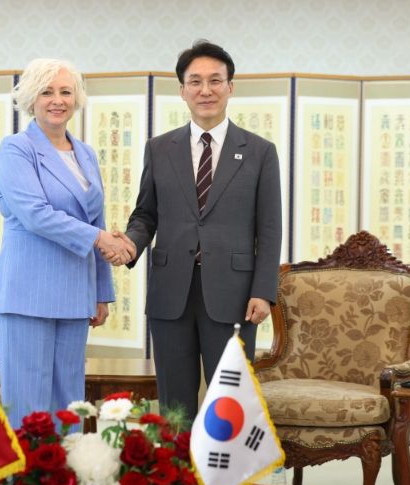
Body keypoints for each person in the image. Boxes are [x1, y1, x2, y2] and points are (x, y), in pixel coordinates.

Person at [110, 40, 282, 420]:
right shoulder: (159, 148)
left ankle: (227, 465)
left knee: (231, 406)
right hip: (171, 294)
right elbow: (146, 215)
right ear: (182, 90)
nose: (206, 90)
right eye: (196, 82)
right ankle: (178, 462)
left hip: (235, 296)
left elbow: (270, 230)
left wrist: (263, 291)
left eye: (215, 81)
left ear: (230, 87)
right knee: (175, 409)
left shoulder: (259, 152)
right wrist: (130, 245)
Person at [0, 58, 133, 428]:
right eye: (47, 92)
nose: (58, 100)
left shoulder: (85, 153)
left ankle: (66, 468)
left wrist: (100, 293)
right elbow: (35, 214)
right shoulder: (16, 149)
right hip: (27, 293)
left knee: (68, 406)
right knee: (28, 408)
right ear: (30, 99)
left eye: (66, 91)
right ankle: (25, 470)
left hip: (75, 294)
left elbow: (96, 219)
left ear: (77, 98)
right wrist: (100, 238)